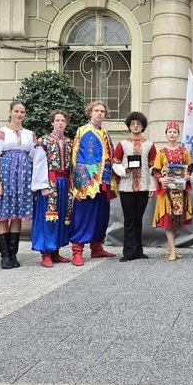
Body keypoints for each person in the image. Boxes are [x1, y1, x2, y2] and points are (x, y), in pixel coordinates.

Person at [0, 101, 39, 269]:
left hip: (23, 179)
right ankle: (5, 255)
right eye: (16, 111)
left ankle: (13, 254)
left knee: (17, 216)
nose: (19, 114)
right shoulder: (1, 132)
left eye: (22, 112)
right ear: (10, 112)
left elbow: (34, 157)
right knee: (3, 215)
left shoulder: (30, 134)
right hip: (5, 177)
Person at [70, 101, 120, 266]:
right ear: (90, 112)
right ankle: (77, 250)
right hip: (88, 181)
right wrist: (82, 180)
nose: (99, 113)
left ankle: (97, 247)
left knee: (101, 215)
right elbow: (76, 156)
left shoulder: (104, 132)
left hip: (104, 180)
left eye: (102, 111)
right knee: (84, 215)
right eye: (96, 110)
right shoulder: (83, 130)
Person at [30, 110, 74, 268]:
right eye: (57, 120)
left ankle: (55, 250)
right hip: (50, 182)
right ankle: (46, 253)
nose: (60, 123)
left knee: (61, 216)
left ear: (66, 123)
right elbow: (38, 163)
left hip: (65, 182)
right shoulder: (44, 141)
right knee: (48, 216)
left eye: (63, 120)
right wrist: (42, 186)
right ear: (52, 122)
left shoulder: (70, 142)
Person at [113, 111, 156, 262]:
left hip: (143, 187)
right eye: (133, 124)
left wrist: (152, 186)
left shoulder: (150, 145)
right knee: (129, 219)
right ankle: (128, 252)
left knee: (138, 219)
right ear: (129, 126)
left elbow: (153, 168)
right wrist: (125, 170)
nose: (136, 126)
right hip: (127, 187)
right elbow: (115, 164)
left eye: (138, 124)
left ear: (143, 126)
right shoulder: (122, 144)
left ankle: (138, 250)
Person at [151, 121, 192, 261]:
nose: (172, 134)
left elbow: (190, 166)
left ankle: (169, 249)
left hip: (179, 191)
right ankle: (173, 250)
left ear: (178, 134)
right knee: (168, 219)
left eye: (175, 132)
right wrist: (161, 179)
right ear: (166, 134)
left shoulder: (184, 151)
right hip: (167, 191)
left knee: (177, 220)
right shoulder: (161, 152)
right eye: (170, 132)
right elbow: (155, 170)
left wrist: (188, 175)